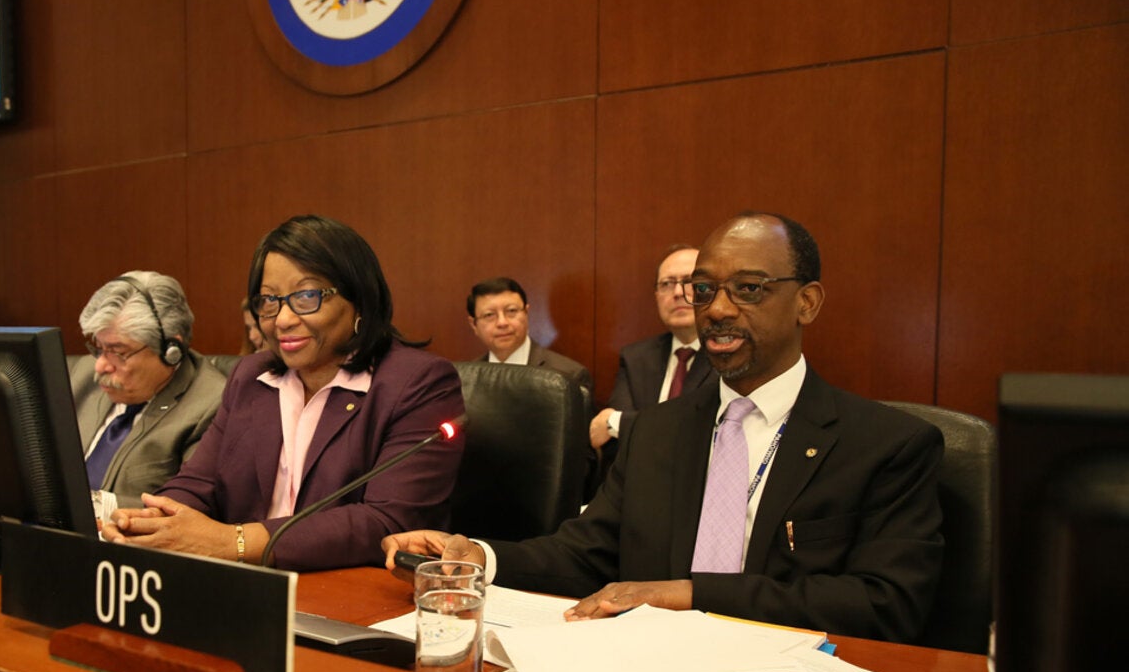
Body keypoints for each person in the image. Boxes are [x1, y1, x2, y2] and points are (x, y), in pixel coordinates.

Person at [385, 212, 944, 643]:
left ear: (807, 303)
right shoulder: (657, 430)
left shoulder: (885, 445)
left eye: (748, 289)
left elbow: (887, 604)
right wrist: (479, 557)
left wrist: (695, 595)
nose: (717, 310)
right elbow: (588, 553)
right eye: (704, 290)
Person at [104, 214, 465, 571]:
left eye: (307, 296)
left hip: (345, 595)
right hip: (245, 587)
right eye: (269, 300)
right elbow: (200, 483)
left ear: (359, 298)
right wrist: (152, 524)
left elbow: (388, 521)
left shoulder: (419, 383)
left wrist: (236, 543)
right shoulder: (251, 377)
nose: (282, 319)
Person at [71, 272, 227, 510]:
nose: (101, 366)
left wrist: (91, 506)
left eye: (118, 351)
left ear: (171, 350)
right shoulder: (81, 375)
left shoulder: (211, 405)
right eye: (99, 348)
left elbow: (187, 512)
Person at [590, 245, 712, 449]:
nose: (677, 293)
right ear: (656, 296)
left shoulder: (729, 356)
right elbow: (615, 443)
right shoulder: (636, 358)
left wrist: (615, 422)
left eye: (690, 282)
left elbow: (698, 428)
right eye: (667, 283)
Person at [467, 277, 593, 393]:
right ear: (474, 325)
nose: (502, 322)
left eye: (511, 311)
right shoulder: (465, 377)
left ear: (526, 313)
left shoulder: (569, 375)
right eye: (489, 315)